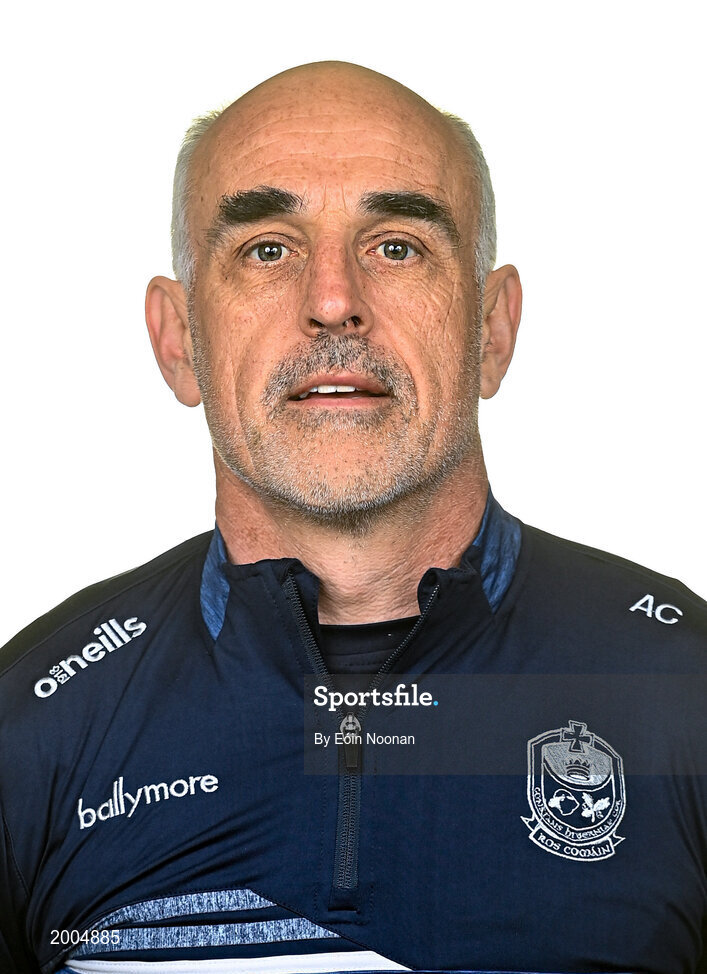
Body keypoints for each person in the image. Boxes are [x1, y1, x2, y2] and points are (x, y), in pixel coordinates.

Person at [0, 61, 704, 974]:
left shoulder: (682, 688)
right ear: (179, 343)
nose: (333, 301)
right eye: (266, 249)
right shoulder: (34, 723)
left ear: (491, 330)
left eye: (397, 246)